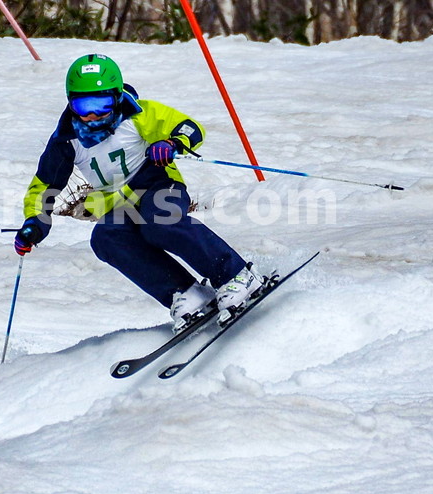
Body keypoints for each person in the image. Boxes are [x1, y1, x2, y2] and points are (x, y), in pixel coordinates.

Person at [13, 53, 258, 327]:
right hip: (120, 206)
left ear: (117, 97)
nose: (93, 115)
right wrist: (34, 223)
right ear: (71, 103)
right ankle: (186, 293)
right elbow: (43, 188)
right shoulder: (66, 141)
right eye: (84, 106)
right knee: (105, 238)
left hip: (159, 185)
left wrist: (172, 143)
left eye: (102, 104)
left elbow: (190, 128)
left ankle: (235, 275)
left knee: (159, 221)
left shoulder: (140, 114)